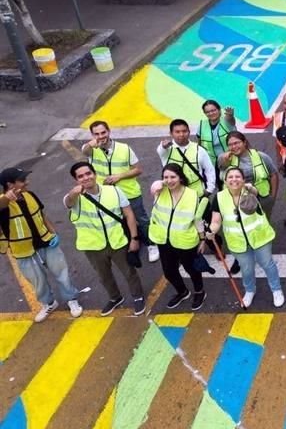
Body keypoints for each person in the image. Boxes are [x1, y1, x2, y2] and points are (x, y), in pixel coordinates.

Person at [0, 167, 82, 322]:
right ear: (10, 185)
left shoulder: (30, 195)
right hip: (23, 249)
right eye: (22, 180)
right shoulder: (4, 205)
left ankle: (72, 299)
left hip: (46, 241)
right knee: (37, 280)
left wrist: (53, 233)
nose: (27, 182)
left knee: (61, 272)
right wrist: (6, 197)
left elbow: (42, 215)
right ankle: (49, 303)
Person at [64, 162, 144, 316]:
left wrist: (134, 238)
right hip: (93, 247)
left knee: (129, 272)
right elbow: (68, 202)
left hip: (117, 241)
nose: (86, 178)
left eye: (88, 173)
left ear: (94, 174)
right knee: (104, 275)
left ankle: (138, 296)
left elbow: (129, 214)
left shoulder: (114, 191)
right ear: (76, 180)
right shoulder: (74, 199)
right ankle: (115, 298)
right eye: (80, 176)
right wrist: (74, 193)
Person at [208, 167, 284, 309]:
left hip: (260, 237)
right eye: (230, 177)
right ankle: (249, 291)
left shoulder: (250, 191)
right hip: (238, 242)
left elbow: (255, 192)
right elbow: (216, 221)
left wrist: (250, 188)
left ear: (243, 180)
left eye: (238, 176)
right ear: (225, 181)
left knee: (268, 264)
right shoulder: (219, 198)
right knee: (246, 269)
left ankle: (276, 290)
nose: (234, 179)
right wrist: (211, 231)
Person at [82, 120, 157, 263]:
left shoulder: (124, 149)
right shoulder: (91, 150)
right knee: (119, 220)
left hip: (129, 192)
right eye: (96, 134)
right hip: (106, 195)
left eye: (103, 132)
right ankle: (132, 242)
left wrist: (119, 176)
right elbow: (84, 151)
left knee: (141, 219)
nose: (101, 136)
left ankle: (151, 244)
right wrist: (91, 144)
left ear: (109, 131)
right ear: (92, 135)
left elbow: (138, 169)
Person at [150, 164, 209, 311]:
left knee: (192, 269)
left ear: (181, 178)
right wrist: (159, 183)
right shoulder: (159, 191)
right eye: (165, 177)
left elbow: (197, 219)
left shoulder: (192, 195)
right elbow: (154, 187)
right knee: (169, 271)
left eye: (173, 177)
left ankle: (199, 292)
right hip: (164, 240)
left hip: (185, 241)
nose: (169, 181)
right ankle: (182, 292)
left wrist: (202, 239)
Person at [217, 132, 279, 218]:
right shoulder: (224, 159)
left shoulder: (261, 156)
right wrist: (225, 162)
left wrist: (272, 197)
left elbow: (273, 174)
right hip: (237, 201)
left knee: (263, 225)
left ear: (244, 142)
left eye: (236, 143)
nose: (234, 147)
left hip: (262, 198)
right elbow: (221, 176)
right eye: (230, 145)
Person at [157, 119, 217, 197]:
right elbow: (160, 150)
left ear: (189, 131)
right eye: (177, 132)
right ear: (171, 133)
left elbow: (209, 170)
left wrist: (210, 189)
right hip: (173, 195)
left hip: (197, 194)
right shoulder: (166, 150)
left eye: (184, 131)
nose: (181, 134)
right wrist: (163, 146)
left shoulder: (199, 149)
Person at [197, 100, 236, 167]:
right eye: (207, 112)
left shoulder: (226, 121)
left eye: (213, 110)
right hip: (210, 162)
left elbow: (231, 120)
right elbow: (199, 143)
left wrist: (230, 115)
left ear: (219, 110)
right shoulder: (202, 124)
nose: (211, 113)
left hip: (228, 159)